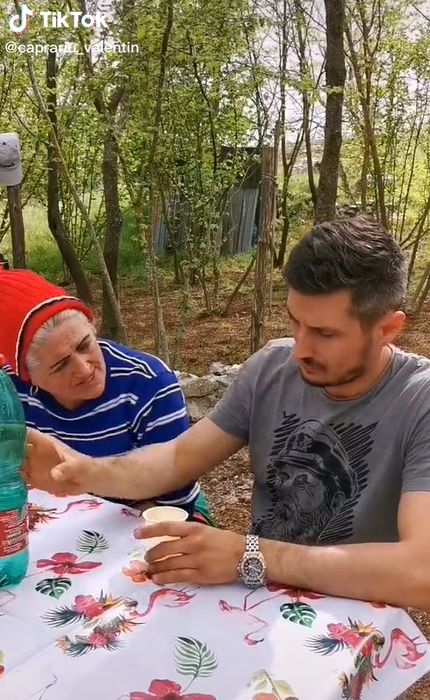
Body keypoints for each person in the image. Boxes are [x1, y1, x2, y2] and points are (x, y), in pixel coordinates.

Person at [24, 217, 430, 609]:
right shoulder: (272, 367)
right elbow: (178, 458)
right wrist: (83, 471)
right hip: (257, 601)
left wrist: (250, 556)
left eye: (325, 333)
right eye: (295, 322)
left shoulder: (419, 400)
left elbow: (421, 573)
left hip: (359, 620)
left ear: (388, 329)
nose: (301, 349)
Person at [0, 268, 211, 523]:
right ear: (27, 376)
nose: (84, 369)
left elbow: (174, 502)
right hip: (58, 513)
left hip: (150, 513)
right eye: (60, 365)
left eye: (85, 345)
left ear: (93, 329)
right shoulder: (9, 390)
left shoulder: (149, 384)